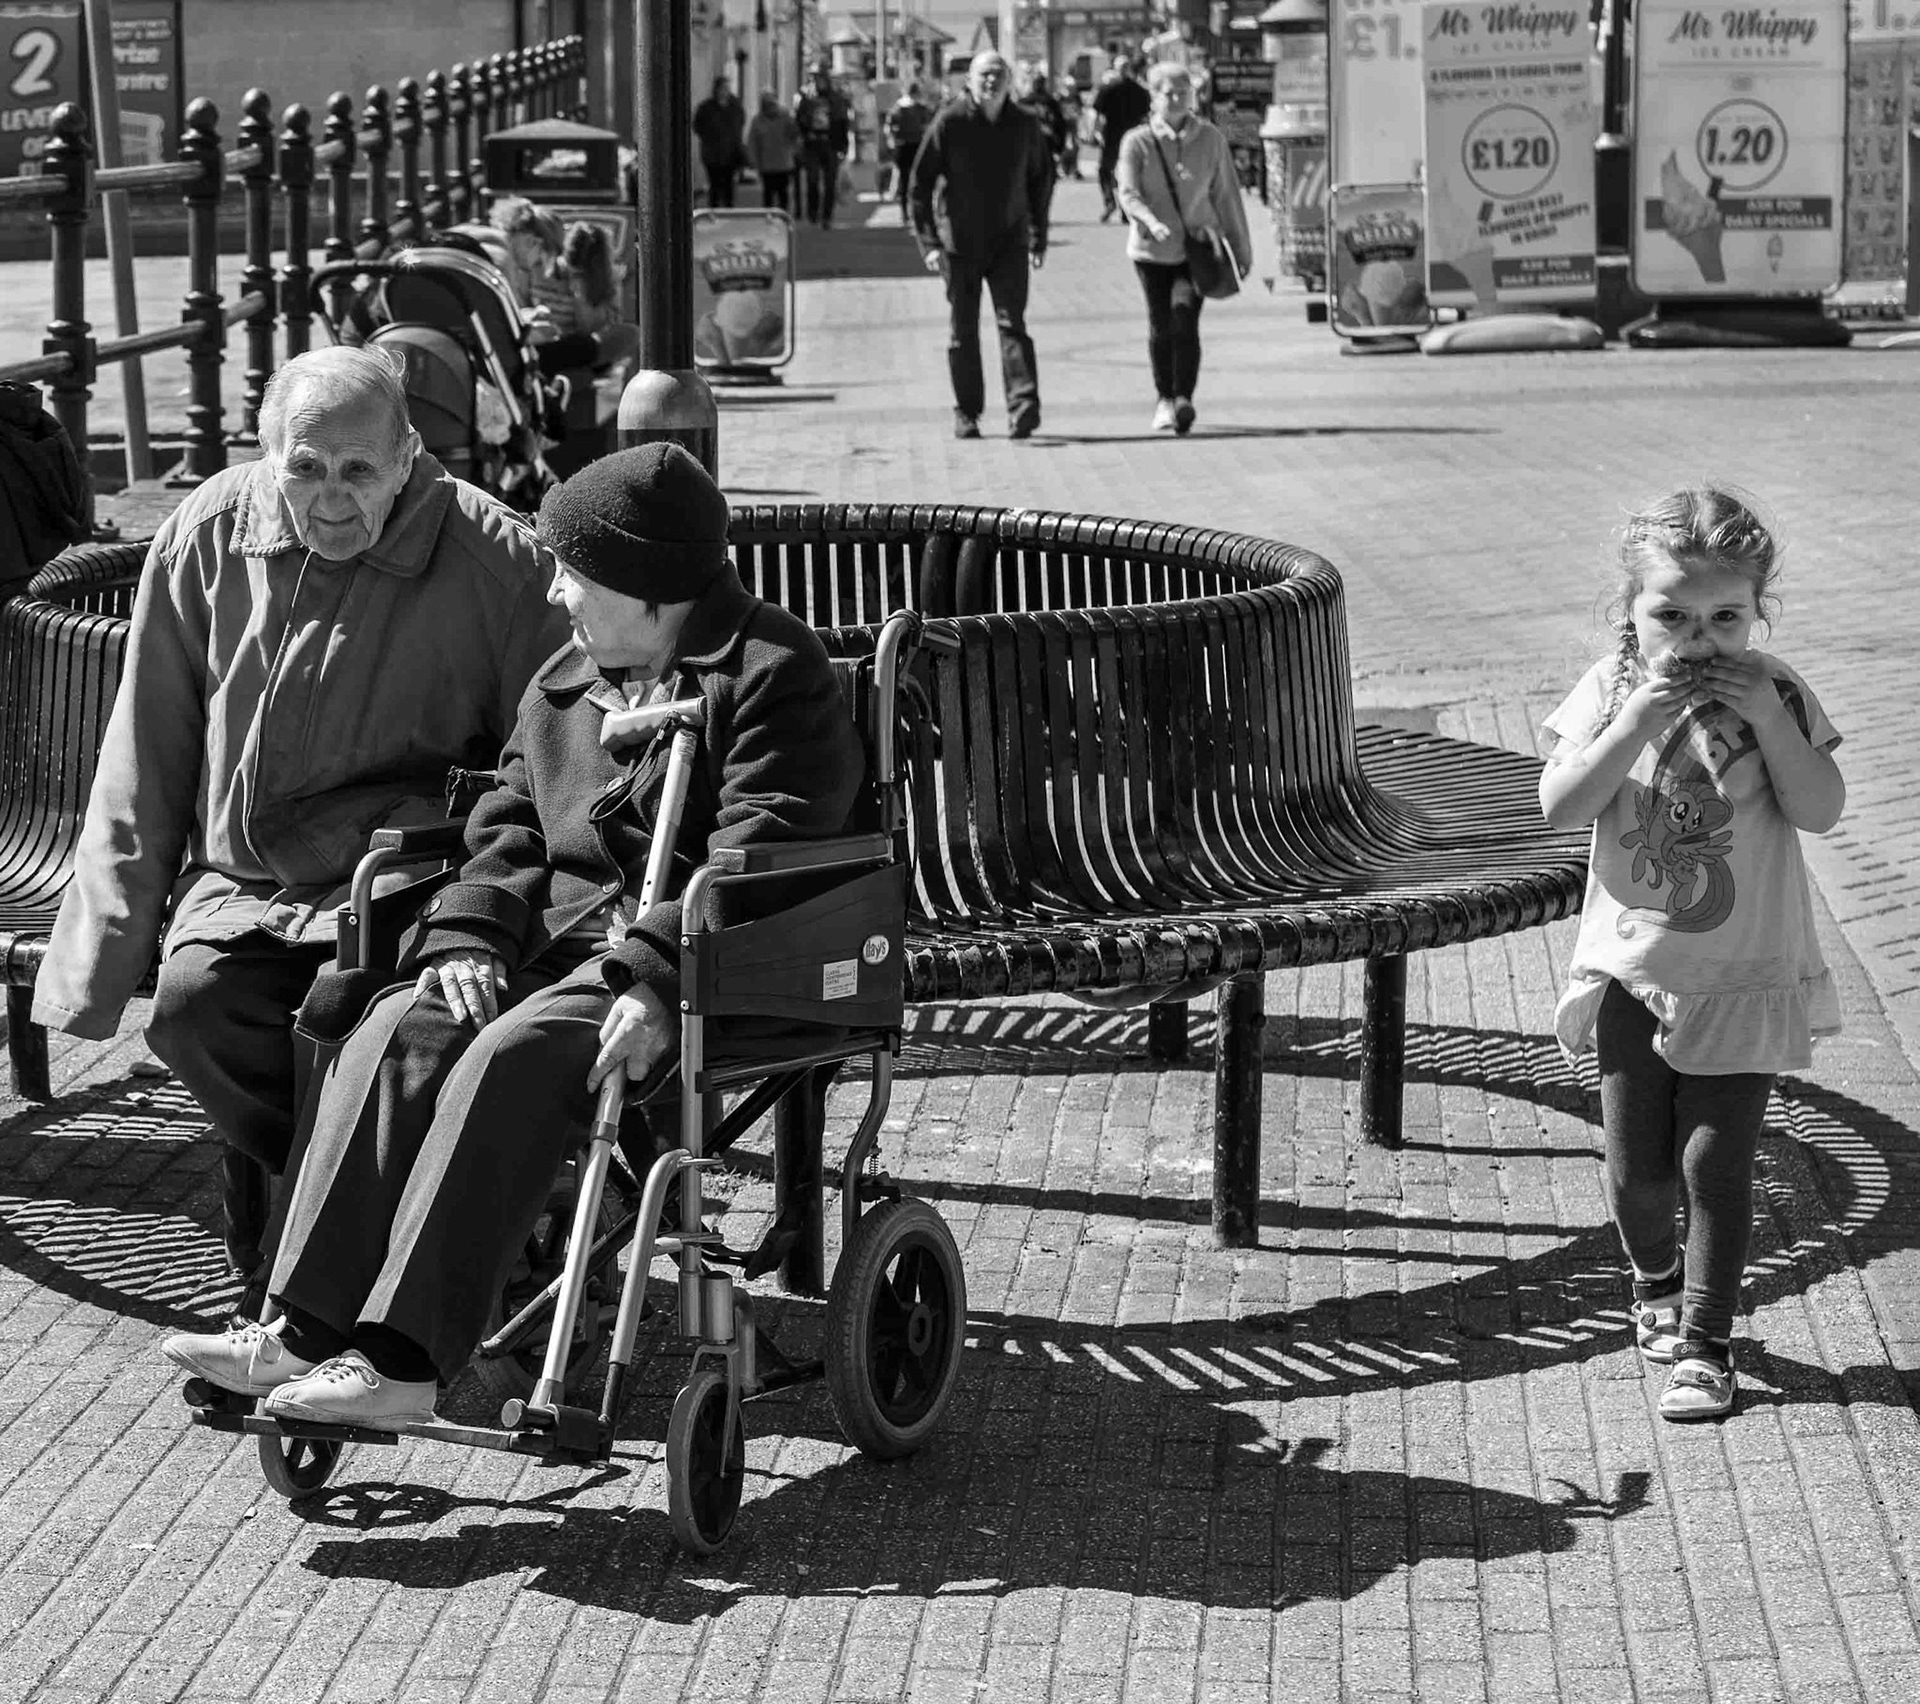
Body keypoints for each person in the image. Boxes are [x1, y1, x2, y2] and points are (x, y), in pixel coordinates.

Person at [158, 444, 866, 1426]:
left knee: (512, 1052)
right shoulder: (569, 676)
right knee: (395, 1028)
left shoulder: (772, 672)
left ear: (647, 586)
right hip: (555, 950)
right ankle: (302, 1328)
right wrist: (470, 937)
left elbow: (769, 844)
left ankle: (402, 1363)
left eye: (574, 573)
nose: (556, 590)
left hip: (701, 965)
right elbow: (507, 823)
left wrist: (656, 976)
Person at [29, 346, 566, 1274]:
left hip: (414, 880)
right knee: (195, 1012)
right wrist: (102, 953)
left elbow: (554, 760)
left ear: (408, 456)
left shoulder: (501, 559)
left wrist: (494, 911)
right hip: (242, 887)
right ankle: (401, 1222)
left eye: (360, 470)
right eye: (306, 467)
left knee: (382, 1020)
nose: (331, 498)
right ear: (266, 453)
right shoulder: (206, 530)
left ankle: (341, 1253)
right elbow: (148, 746)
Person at [1538, 487, 1845, 1424]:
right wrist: (1631, 722)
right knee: (1639, 1175)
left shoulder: (1777, 690)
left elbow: (1820, 809)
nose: (1700, 640)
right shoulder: (1609, 688)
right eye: (1672, 616)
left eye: (1725, 618)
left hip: (1744, 973)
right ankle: (1655, 1280)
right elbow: (1560, 805)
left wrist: (1773, 721)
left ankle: (1706, 1347)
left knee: (1716, 1166)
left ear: (1757, 612)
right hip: (1633, 971)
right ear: (1632, 609)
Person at [909, 51, 1053, 442]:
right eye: (984, 75)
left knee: (1013, 325)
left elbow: (1041, 180)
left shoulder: (1024, 123)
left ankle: (1023, 408)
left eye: (998, 74)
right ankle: (967, 412)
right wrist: (929, 243)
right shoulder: (950, 121)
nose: (991, 81)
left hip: (1010, 241)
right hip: (960, 244)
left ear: (1010, 80)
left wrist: (1038, 236)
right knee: (963, 330)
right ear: (970, 81)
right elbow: (920, 185)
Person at [1114, 62, 1253, 436]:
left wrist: (1241, 250)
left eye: (1183, 92)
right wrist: (1150, 221)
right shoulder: (1137, 142)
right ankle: (1164, 398)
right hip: (1151, 251)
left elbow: (1227, 197)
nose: (1176, 99)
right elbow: (1128, 193)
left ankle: (1183, 398)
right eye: (1168, 93)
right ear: (1153, 97)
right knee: (1161, 324)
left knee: (1185, 319)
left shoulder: (1210, 139)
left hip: (1198, 249)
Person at [793, 63, 852, 228]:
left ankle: (827, 216)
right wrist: (804, 135)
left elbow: (842, 122)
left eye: (820, 78)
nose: (818, 82)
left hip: (830, 144)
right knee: (812, 180)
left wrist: (843, 146)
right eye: (815, 78)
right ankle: (813, 212)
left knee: (830, 182)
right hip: (812, 145)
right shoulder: (806, 98)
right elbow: (798, 120)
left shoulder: (836, 98)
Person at [1092, 56, 1151, 222]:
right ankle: (1128, 208)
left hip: (1112, 136)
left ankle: (1110, 201)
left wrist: (1095, 133)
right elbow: (1146, 116)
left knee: (1105, 171)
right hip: (1134, 137)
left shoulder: (1108, 90)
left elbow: (1099, 116)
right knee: (1130, 172)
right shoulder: (1140, 91)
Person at [692, 76, 747, 209]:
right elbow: (697, 126)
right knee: (715, 185)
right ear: (716, 89)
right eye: (722, 88)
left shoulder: (735, 106)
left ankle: (728, 211)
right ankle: (714, 211)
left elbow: (740, 124)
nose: (725, 91)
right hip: (712, 154)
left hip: (731, 153)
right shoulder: (706, 108)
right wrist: (709, 137)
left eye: (727, 88)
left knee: (729, 185)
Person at [745, 87, 800, 212]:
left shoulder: (785, 116)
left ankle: (782, 216)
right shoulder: (758, 120)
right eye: (767, 103)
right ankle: (769, 216)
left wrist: (795, 149)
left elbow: (794, 135)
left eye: (772, 102)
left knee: (782, 193)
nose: (770, 106)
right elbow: (752, 142)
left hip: (783, 163)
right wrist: (752, 160)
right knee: (768, 193)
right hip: (767, 164)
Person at [882, 79, 932, 215]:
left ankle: (906, 212)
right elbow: (927, 128)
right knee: (917, 181)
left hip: (903, 147)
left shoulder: (898, 108)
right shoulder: (920, 109)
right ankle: (915, 211)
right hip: (916, 148)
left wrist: (892, 141)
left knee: (905, 181)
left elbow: (888, 128)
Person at [1055, 74, 1084, 178]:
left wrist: (1075, 115)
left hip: (1073, 124)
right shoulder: (1060, 98)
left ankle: (1074, 168)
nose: (1071, 90)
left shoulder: (1076, 97)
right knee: (1062, 146)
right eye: (1069, 87)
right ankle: (1060, 168)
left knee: (1076, 146)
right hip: (1063, 125)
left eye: (1072, 87)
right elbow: (1057, 112)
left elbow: (1080, 111)